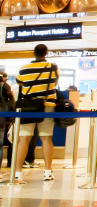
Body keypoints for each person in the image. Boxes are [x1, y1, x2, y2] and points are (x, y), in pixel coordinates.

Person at [13, 44, 59, 182]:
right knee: (46, 138)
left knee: (24, 139)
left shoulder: (24, 68)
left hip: (28, 106)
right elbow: (55, 83)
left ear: (34, 53)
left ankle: (18, 173)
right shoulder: (53, 67)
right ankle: (47, 172)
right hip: (47, 105)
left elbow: (20, 83)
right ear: (46, 52)